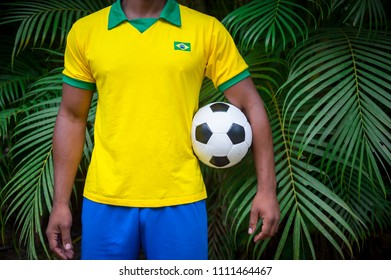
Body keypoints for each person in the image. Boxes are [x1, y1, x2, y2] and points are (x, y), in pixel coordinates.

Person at [46, 0, 280, 260]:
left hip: (180, 197)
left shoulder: (205, 29)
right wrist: (59, 203)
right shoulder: (86, 31)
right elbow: (71, 117)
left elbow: (251, 104)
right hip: (105, 199)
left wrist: (267, 190)